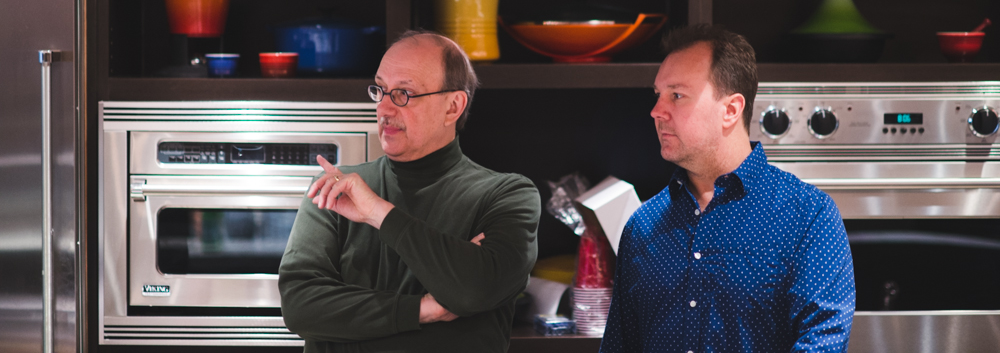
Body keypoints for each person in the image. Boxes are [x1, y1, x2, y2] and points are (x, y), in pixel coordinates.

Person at [279, 30, 541, 352]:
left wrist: (378, 212)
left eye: (403, 93)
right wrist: (426, 309)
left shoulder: (507, 195)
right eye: (380, 90)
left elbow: (474, 290)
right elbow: (300, 306)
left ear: (453, 106)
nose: (384, 109)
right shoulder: (336, 188)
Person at [600, 24, 855, 353]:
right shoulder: (642, 225)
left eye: (676, 95)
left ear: (731, 110)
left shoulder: (807, 215)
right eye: (658, 95)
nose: (656, 112)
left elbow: (824, 342)